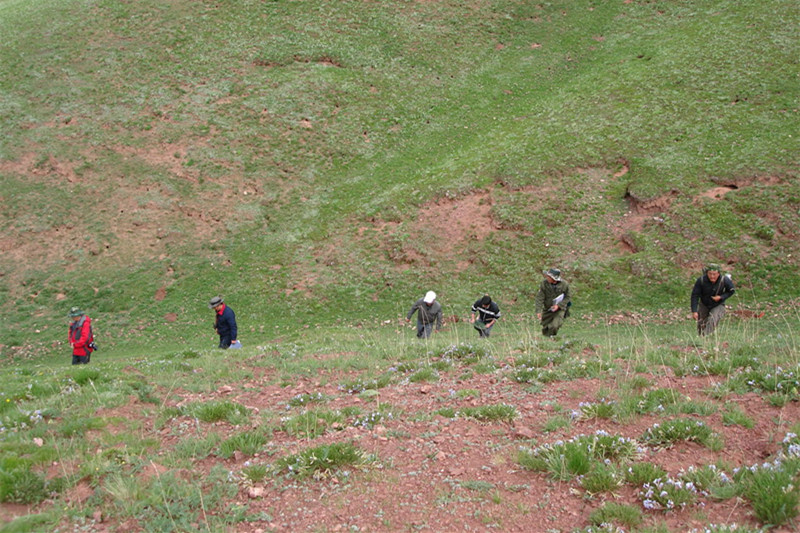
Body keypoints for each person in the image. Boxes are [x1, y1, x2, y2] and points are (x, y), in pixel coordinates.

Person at [690, 264, 735, 336]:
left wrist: (721, 297)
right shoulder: (701, 280)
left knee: (713, 319)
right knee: (701, 323)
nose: (712, 276)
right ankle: (701, 338)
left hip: (718, 304)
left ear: (718, 273)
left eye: (714, 274)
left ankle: (706, 336)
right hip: (704, 304)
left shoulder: (724, 280)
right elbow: (695, 295)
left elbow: (731, 291)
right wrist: (694, 311)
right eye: (710, 274)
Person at [534, 268, 571, 337]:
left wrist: (558, 305)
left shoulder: (564, 285)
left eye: (549, 277)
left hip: (560, 309)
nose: (547, 278)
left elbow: (568, 297)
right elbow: (540, 297)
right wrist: (538, 310)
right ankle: (547, 338)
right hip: (548, 309)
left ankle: (552, 337)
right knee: (545, 326)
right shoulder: (544, 284)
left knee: (555, 325)